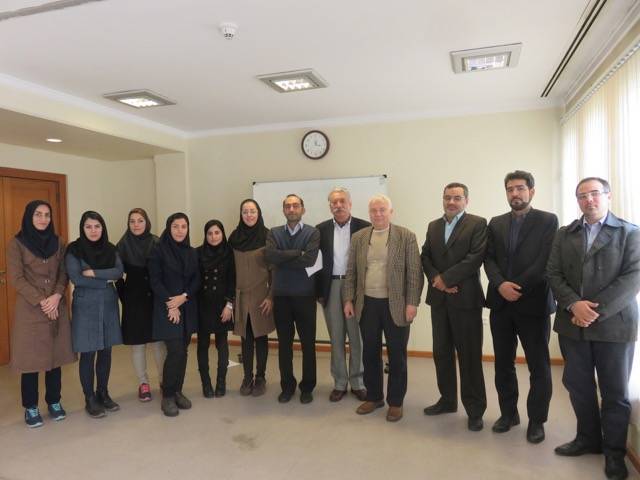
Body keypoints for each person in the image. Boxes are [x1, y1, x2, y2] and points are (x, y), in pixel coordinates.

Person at [547, 177, 640, 480]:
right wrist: (575, 305)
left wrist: (591, 312)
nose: (589, 200)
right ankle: (588, 439)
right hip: (572, 326)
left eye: (595, 194)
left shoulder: (630, 233)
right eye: (582, 196)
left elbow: (631, 279)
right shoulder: (565, 234)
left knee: (614, 392)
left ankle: (614, 453)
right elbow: (553, 273)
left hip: (614, 328)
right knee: (578, 385)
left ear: (608, 196)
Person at [484, 171, 558, 443]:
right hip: (500, 305)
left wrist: (517, 287)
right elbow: (488, 259)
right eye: (510, 189)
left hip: (534, 304)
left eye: (520, 188)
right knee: (503, 364)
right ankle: (508, 414)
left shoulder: (548, 220)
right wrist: (501, 284)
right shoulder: (496, 222)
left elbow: (544, 262)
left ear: (531, 191)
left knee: (539, 366)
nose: (515, 193)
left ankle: (537, 421)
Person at [342, 194, 423, 422]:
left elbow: (415, 273)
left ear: (391, 212)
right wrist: (348, 300)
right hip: (367, 304)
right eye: (373, 211)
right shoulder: (359, 237)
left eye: (382, 210)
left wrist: (412, 303)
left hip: (396, 305)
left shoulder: (406, 236)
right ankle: (375, 396)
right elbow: (351, 272)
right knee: (370, 352)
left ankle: (396, 402)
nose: (377, 214)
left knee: (397, 355)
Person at [421, 182, 487, 431]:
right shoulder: (433, 226)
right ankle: (447, 400)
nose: (451, 202)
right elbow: (425, 256)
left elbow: (475, 258)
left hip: (465, 299)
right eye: (447, 197)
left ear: (466, 201)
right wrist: (438, 281)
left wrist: (445, 279)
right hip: (439, 300)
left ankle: (475, 410)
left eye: (457, 198)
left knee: (469, 356)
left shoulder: (478, 224)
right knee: (441, 353)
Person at [7, 200, 76, 427]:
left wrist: (57, 296)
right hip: (31, 310)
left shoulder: (58, 242)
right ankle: (31, 407)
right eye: (38, 214)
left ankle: (54, 401)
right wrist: (42, 300)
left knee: (54, 358)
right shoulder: (16, 243)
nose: (43, 219)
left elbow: (63, 272)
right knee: (31, 361)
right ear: (29, 216)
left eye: (47, 215)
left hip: (56, 306)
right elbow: (16, 278)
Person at [66, 210, 123, 418]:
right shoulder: (73, 249)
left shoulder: (111, 248)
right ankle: (89, 397)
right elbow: (76, 278)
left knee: (106, 351)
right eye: (88, 226)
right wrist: (105, 281)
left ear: (102, 228)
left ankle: (103, 393)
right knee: (88, 353)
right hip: (85, 306)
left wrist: (95, 274)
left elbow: (118, 272)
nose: (93, 230)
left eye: (97, 226)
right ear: (82, 228)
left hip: (108, 305)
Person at [265, 194, 320, 404]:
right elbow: (270, 256)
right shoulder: (274, 232)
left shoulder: (312, 232)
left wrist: (282, 256)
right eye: (287, 206)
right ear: (283, 210)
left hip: (305, 296)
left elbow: (310, 259)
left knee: (308, 344)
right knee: (284, 345)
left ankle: (307, 387)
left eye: (295, 205)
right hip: (281, 297)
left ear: (302, 209)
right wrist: (298, 252)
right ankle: (287, 386)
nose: (291, 209)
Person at [316, 187, 369, 402]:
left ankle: (358, 382)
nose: (338, 205)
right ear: (330, 206)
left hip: (356, 287)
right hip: (331, 286)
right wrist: (319, 291)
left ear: (350, 203)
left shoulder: (365, 227)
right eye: (334, 202)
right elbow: (316, 264)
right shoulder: (320, 230)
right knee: (336, 338)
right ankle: (339, 382)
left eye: (342, 201)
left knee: (357, 337)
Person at [148, 212, 200, 417]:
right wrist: (172, 304)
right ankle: (168, 395)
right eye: (176, 226)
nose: (180, 230)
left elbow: (196, 280)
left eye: (184, 226)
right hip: (166, 308)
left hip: (186, 307)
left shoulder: (191, 252)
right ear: (169, 228)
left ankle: (178, 390)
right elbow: (155, 281)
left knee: (184, 351)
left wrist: (183, 297)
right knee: (176, 350)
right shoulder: (158, 251)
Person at [116, 208, 165, 402]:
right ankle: (143, 383)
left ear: (147, 223)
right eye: (132, 221)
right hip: (134, 300)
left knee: (159, 344)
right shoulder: (122, 245)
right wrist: (125, 297)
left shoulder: (157, 242)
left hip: (155, 298)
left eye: (140, 221)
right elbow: (117, 275)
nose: (136, 225)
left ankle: (164, 381)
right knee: (137, 345)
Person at [228, 199, 275, 397]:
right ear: (241, 214)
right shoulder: (234, 238)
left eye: (252, 211)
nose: (249, 215)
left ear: (259, 213)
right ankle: (247, 377)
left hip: (261, 296)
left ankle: (261, 377)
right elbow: (228, 271)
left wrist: (271, 296)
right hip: (240, 296)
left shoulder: (268, 236)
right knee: (245, 338)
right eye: (245, 211)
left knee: (261, 337)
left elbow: (275, 269)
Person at [196, 220, 235, 398]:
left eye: (217, 232)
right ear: (205, 235)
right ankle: (206, 384)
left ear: (222, 234)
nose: (213, 236)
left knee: (222, 344)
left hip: (222, 305)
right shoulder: (197, 253)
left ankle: (221, 382)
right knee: (202, 345)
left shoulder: (229, 253)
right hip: (202, 305)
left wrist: (229, 305)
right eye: (210, 233)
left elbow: (232, 281)